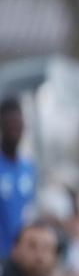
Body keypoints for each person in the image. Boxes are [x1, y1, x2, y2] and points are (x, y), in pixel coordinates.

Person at [0, 98, 36, 257]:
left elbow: (30, 210)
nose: (15, 130)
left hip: (21, 257)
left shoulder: (28, 167)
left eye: (18, 125)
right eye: (10, 125)